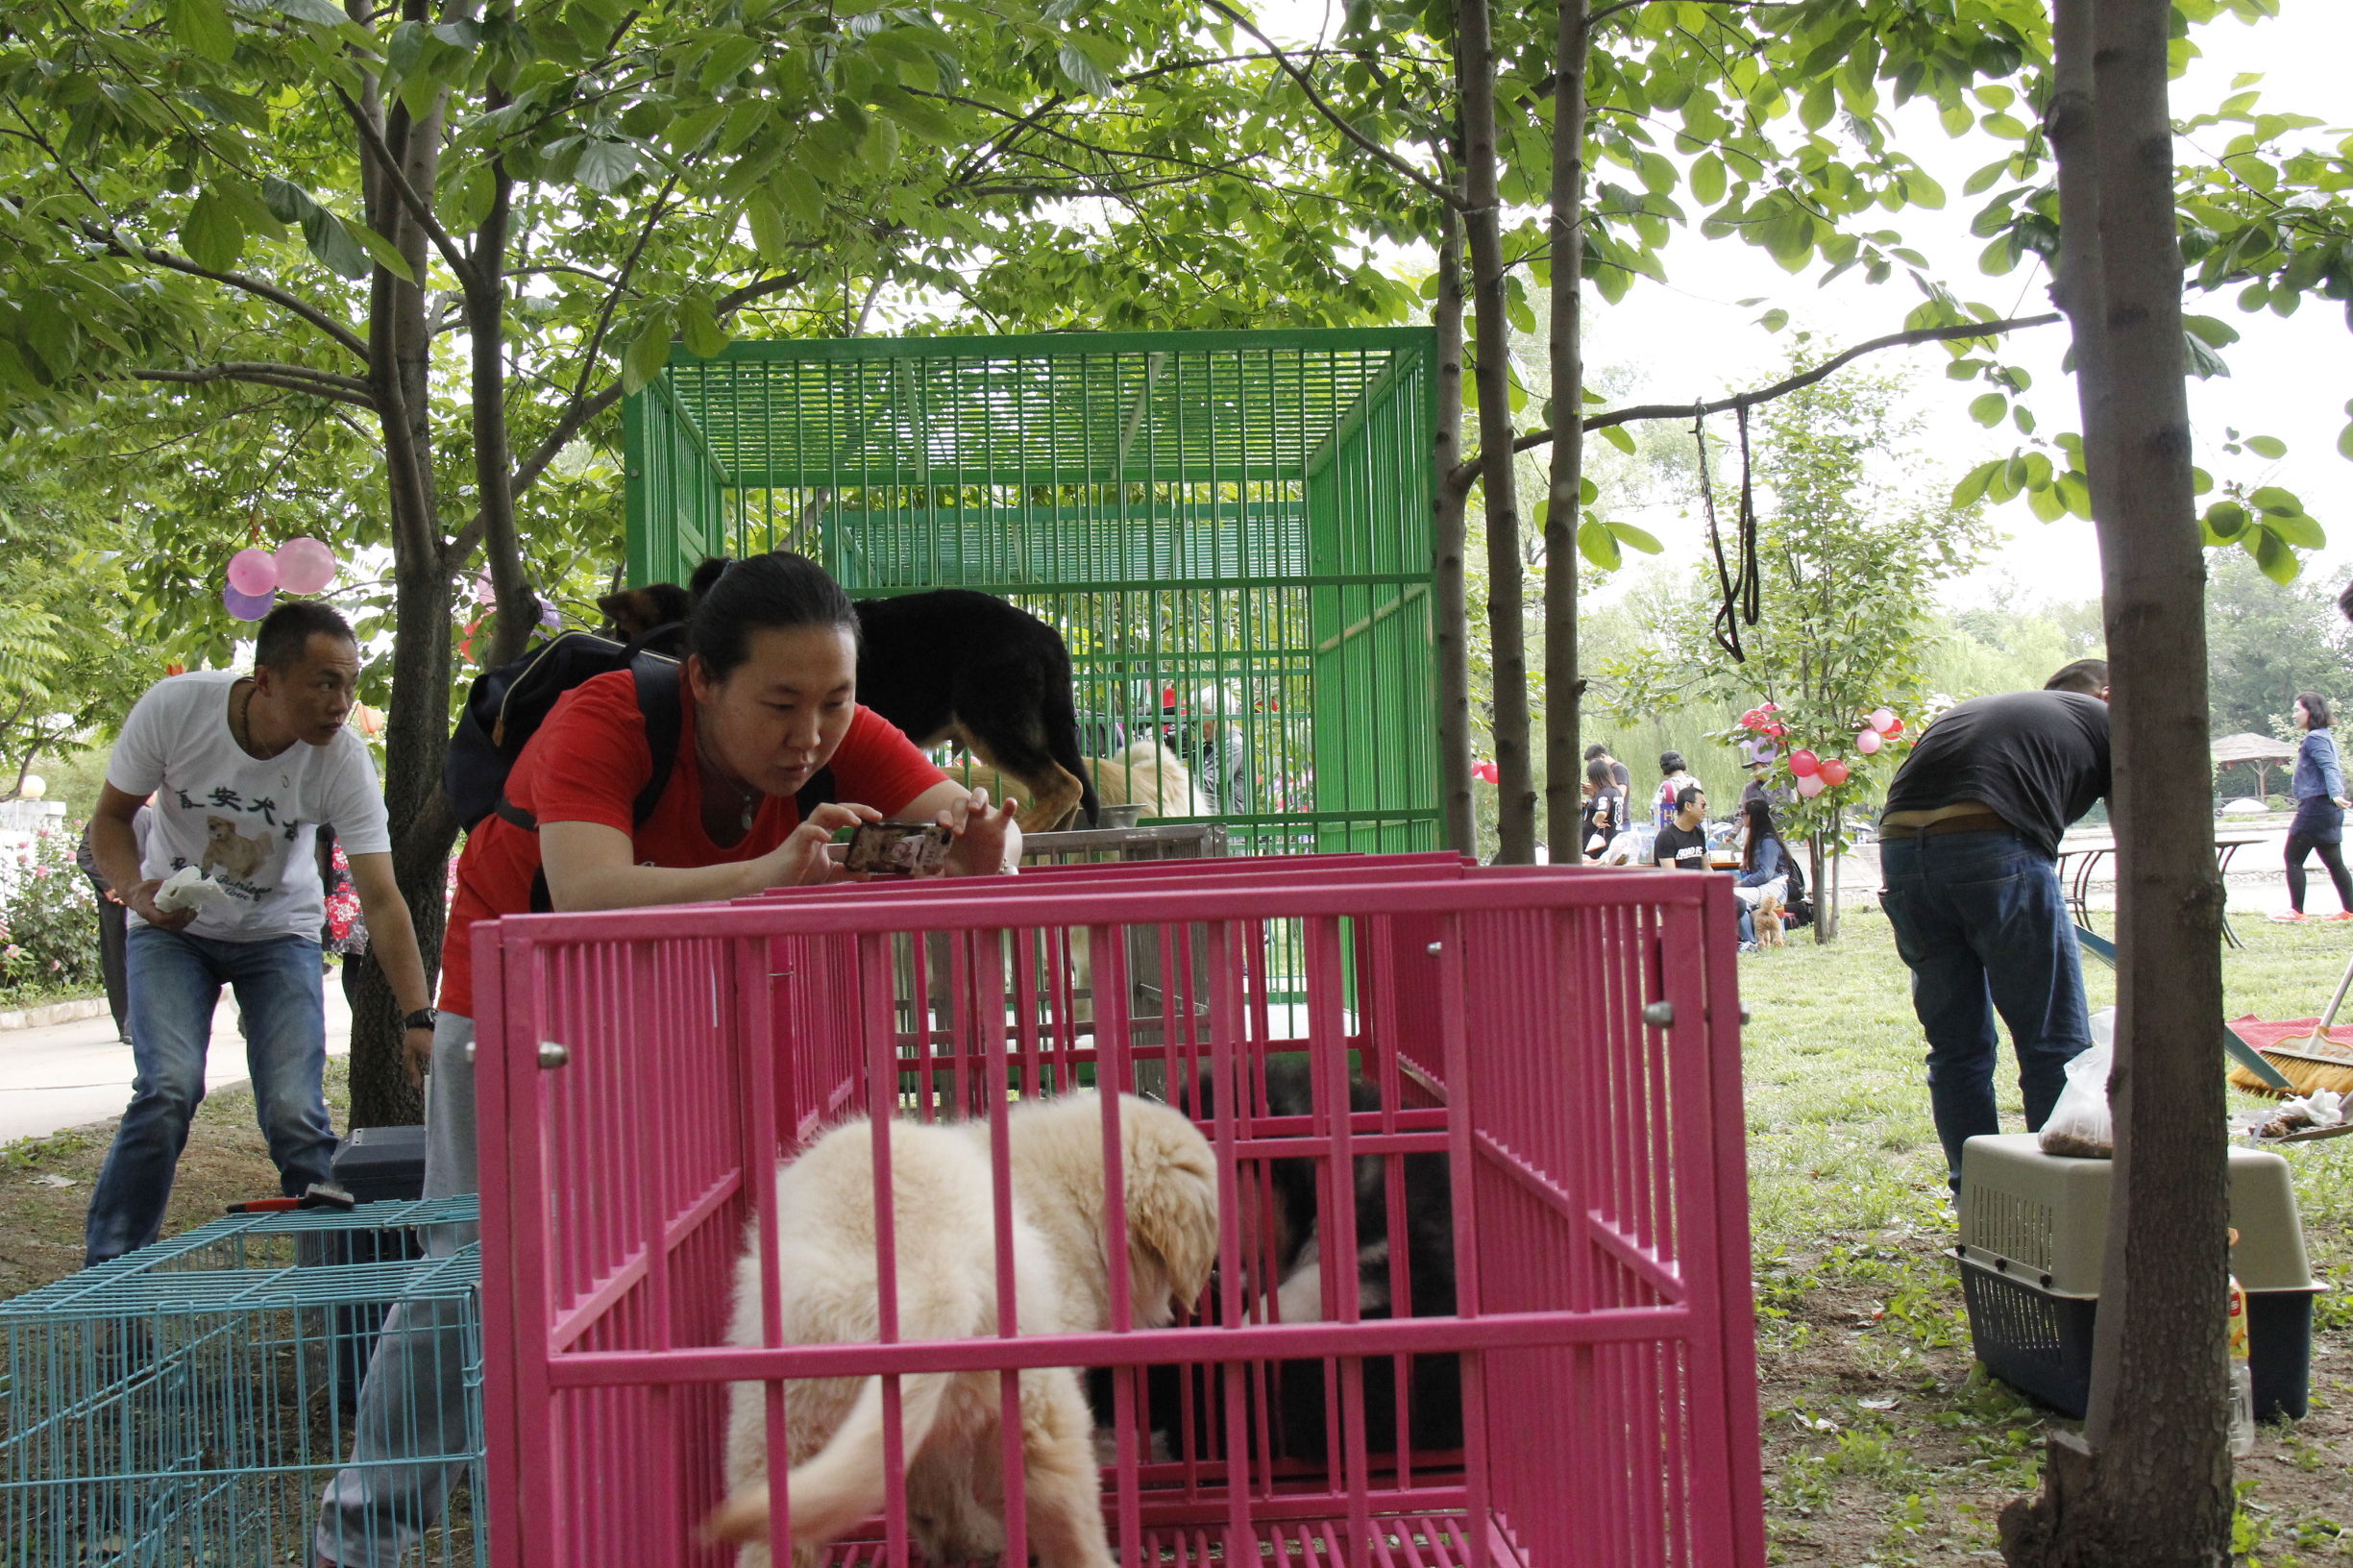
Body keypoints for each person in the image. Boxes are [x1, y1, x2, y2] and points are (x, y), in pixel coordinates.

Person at [315, 550, 1021, 1568]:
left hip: (679, 1006)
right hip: (517, 1010)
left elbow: (971, 836)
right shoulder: (605, 717)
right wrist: (773, 873)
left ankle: (652, 1501)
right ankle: (360, 1536)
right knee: (473, 1271)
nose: (810, 734)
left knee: (681, 1250)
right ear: (701, 679)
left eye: (836, 701)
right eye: (780, 703)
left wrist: (982, 855)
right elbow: (588, 887)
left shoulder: (841, 736)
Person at [81, 603, 438, 1267]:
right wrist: (138, 894)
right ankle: (112, 1271)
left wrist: (419, 1015)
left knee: (295, 1115)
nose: (342, 703)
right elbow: (110, 818)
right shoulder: (177, 708)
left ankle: (342, 1302)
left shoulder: (342, 761)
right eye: (325, 683)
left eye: (351, 685)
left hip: (279, 935)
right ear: (266, 679)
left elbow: (383, 899)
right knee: (167, 1090)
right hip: (172, 931)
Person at [1876, 658, 2112, 1192]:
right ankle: (2061, 1199)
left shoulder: (2001, 712)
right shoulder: (2104, 719)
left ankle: (1978, 1200)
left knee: (1957, 1045)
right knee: (2052, 1041)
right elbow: (2139, 833)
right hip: (1992, 846)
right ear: (2108, 692)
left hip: (1900, 854)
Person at [2272, 691, 2353, 922]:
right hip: (2327, 810)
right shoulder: (2324, 736)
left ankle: (2296, 911)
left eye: (2297, 710)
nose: (2294, 715)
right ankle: (2349, 911)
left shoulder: (2314, 738)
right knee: (2334, 863)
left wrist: (2336, 793)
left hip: (2316, 807)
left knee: (2293, 857)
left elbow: (2330, 767)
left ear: (2312, 712)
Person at [75, 802, 150, 1043]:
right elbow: (86, 854)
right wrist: (111, 885)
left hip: (149, 897)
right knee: (119, 959)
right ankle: (127, 1025)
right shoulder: (110, 815)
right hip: (116, 901)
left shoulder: (165, 814)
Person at [1732, 796, 1793, 947]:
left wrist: (1742, 882)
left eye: (1743, 813)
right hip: (1765, 887)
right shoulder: (1758, 838)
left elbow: (1766, 873)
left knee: (1734, 898)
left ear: (1753, 816)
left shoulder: (1768, 841)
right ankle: (1749, 940)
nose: (1741, 816)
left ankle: (1749, 942)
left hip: (1775, 888)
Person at [1653, 784, 1709, 870]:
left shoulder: (1699, 833)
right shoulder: (1666, 837)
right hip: (1679, 882)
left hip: (1698, 882)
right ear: (1688, 806)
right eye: (1703, 805)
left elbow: (1707, 870)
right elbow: (1671, 877)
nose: (1706, 809)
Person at [1581, 757, 1626, 860]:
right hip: (1613, 839)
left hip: (1598, 847)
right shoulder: (1616, 791)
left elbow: (1602, 812)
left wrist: (1595, 821)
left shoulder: (1604, 793)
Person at [1653, 751, 1699, 829]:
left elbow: (1655, 810)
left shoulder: (1666, 786)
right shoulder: (1695, 783)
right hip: (1694, 830)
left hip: (1673, 832)